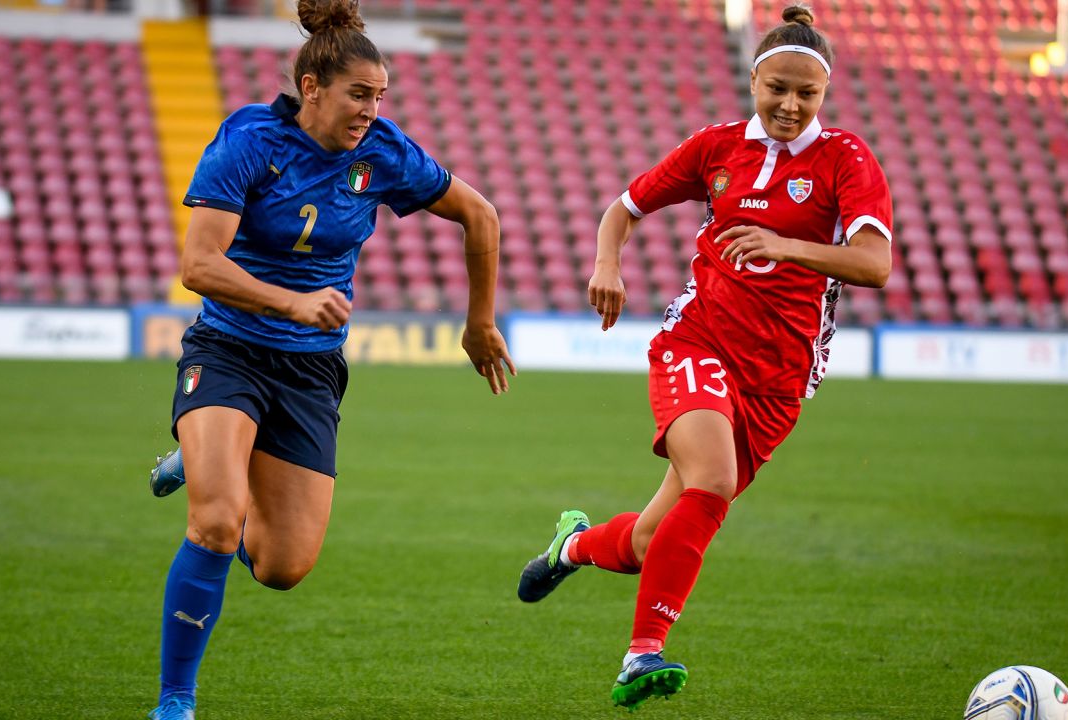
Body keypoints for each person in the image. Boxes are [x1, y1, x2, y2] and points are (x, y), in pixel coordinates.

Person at [515, 5, 892, 711]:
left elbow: (875, 263)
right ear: (754, 81)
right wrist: (608, 263)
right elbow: (622, 207)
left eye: (805, 94)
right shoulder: (717, 147)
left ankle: (570, 546)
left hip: (777, 384)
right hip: (698, 342)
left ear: (824, 95)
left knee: (648, 542)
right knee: (711, 481)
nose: (789, 104)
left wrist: (788, 246)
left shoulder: (845, 159)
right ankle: (642, 656)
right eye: (776, 87)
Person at [144, 1, 515, 718]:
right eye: (358, 95)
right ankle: (175, 701)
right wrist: (289, 302)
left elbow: (482, 214)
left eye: (380, 97)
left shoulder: (383, 154)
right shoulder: (249, 140)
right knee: (217, 525)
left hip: (310, 371)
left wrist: (479, 323)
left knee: (283, 568)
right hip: (228, 349)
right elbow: (198, 264)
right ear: (311, 86)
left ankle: (208, 452)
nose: (371, 111)